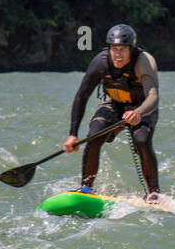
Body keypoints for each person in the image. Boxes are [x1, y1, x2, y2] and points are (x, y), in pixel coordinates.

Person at [63, 24, 161, 201]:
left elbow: (153, 96)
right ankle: (86, 189)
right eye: (114, 49)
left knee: (142, 140)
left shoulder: (144, 62)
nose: (118, 54)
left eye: (122, 49)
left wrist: (138, 112)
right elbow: (81, 96)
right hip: (113, 103)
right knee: (94, 136)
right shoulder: (100, 63)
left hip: (142, 106)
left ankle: (153, 192)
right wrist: (72, 135)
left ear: (131, 49)